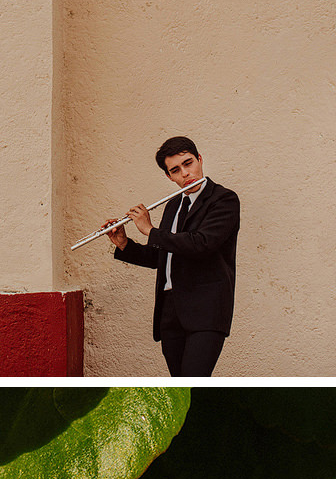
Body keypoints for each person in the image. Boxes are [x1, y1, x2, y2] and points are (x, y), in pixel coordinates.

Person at [102, 138, 239, 376]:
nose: (185, 173)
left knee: (193, 382)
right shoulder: (173, 206)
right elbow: (161, 257)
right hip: (169, 310)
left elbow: (201, 244)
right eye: (176, 170)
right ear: (169, 176)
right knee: (178, 387)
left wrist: (150, 230)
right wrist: (124, 244)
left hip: (205, 311)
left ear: (200, 160)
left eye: (188, 163)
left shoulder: (223, 200)